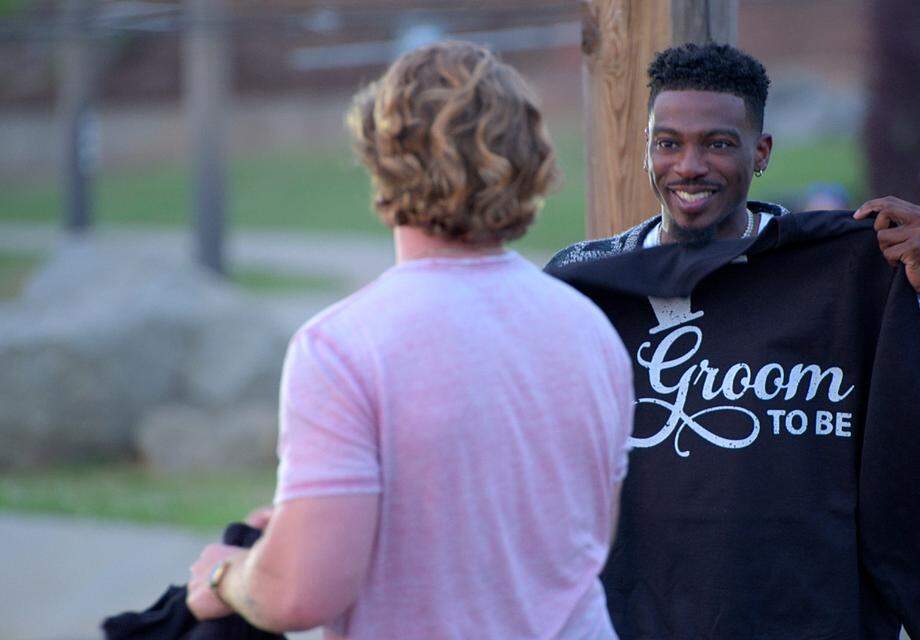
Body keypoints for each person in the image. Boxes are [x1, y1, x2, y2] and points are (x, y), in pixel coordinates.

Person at [546, 42, 920, 638]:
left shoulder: (842, 280)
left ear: (760, 151)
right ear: (646, 148)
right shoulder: (582, 288)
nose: (689, 166)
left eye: (717, 143)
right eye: (669, 143)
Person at [186, 41, 634, 639]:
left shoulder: (341, 348)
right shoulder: (591, 329)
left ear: (382, 155)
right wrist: (309, 525)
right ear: (528, 155)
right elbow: (582, 537)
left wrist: (229, 576)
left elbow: (299, 594)